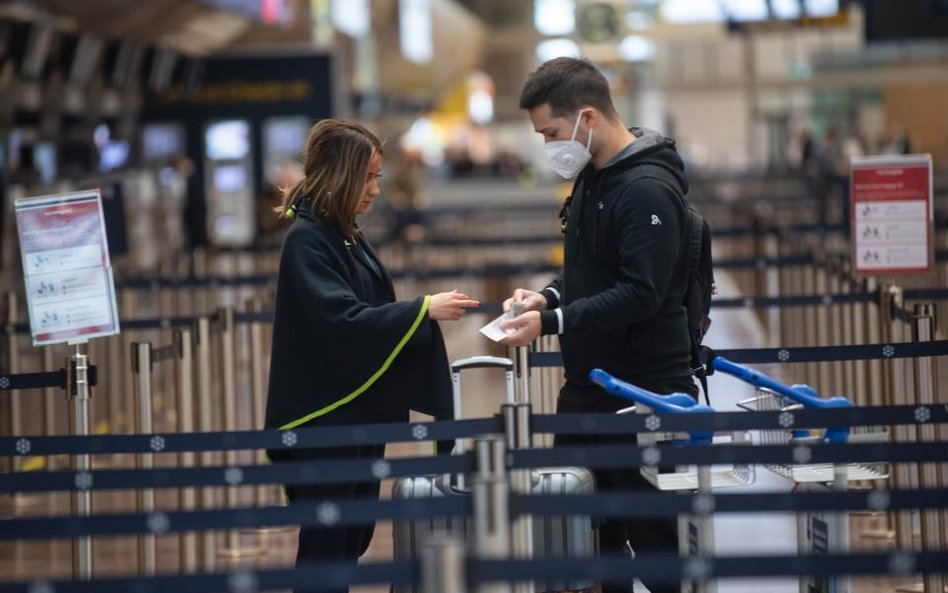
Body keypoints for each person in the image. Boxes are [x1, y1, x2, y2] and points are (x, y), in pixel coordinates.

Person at [500, 57, 697, 593]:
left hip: (644, 391)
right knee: (579, 534)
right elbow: (588, 271)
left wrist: (553, 322)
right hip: (588, 388)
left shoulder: (646, 189)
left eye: (551, 132)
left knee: (654, 542)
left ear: (587, 117)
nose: (548, 146)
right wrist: (545, 298)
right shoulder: (592, 179)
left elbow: (642, 292)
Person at [264, 119, 478, 593]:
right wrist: (424, 308)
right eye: (368, 177)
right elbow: (342, 320)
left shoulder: (343, 233)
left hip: (354, 413)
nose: (376, 190)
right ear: (342, 176)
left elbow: (367, 310)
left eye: (378, 177)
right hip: (326, 420)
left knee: (350, 540)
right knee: (326, 548)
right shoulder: (308, 240)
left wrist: (420, 312)